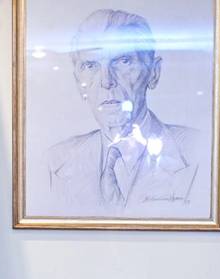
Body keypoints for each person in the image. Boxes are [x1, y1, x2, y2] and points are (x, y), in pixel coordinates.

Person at [46, 9, 204, 217]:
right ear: (79, 82)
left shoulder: (197, 152)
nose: (106, 81)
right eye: (91, 65)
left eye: (123, 61)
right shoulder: (55, 160)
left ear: (153, 72)